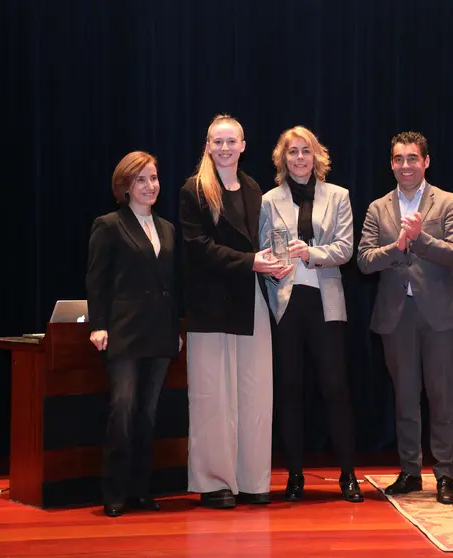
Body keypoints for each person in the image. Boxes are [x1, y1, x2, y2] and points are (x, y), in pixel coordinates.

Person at [179, 114, 292, 509]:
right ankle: (214, 483)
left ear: (244, 146)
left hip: (250, 300)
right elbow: (199, 248)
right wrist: (252, 262)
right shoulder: (193, 191)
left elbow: (263, 244)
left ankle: (252, 479)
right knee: (213, 396)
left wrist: (275, 264)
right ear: (207, 146)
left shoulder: (253, 188)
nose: (225, 148)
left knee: (255, 392)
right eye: (217, 142)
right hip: (209, 304)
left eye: (232, 141)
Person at [357, 131, 453, 505]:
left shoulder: (448, 202)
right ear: (391, 164)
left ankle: (444, 474)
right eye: (398, 159)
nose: (405, 165)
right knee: (405, 398)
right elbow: (364, 261)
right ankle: (409, 471)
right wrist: (399, 246)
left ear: (426, 161)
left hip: (439, 316)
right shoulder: (377, 208)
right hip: (396, 316)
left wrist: (420, 239)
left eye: (412, 158)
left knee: (441, 398)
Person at [260, 125, 362, 503]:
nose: (299, 158)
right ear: (282, 159)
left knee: (335, 389)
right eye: (292, 152)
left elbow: (346, 249)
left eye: (305, 151)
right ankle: (295, 476)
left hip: (325, 301)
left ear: (317, 156)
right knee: (289, 392)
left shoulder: (338, 196)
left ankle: (348, 475)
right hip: (287, 304)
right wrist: (275, 265)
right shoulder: (269, 200)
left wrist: (310, 253)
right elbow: (264, 251)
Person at [86, 151, 181, 518]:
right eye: (141, 179)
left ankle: (142, 490)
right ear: (125, 186)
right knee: (122, 411)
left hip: (159, 334)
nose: (149, 186)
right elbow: (97, 279)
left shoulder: (168, 228)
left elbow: (172, 286)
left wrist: (175, 330)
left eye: (154, 178)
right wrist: (98, 324)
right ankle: (115, 492)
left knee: (148, 413)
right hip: (124, 333)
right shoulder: (108, 225)